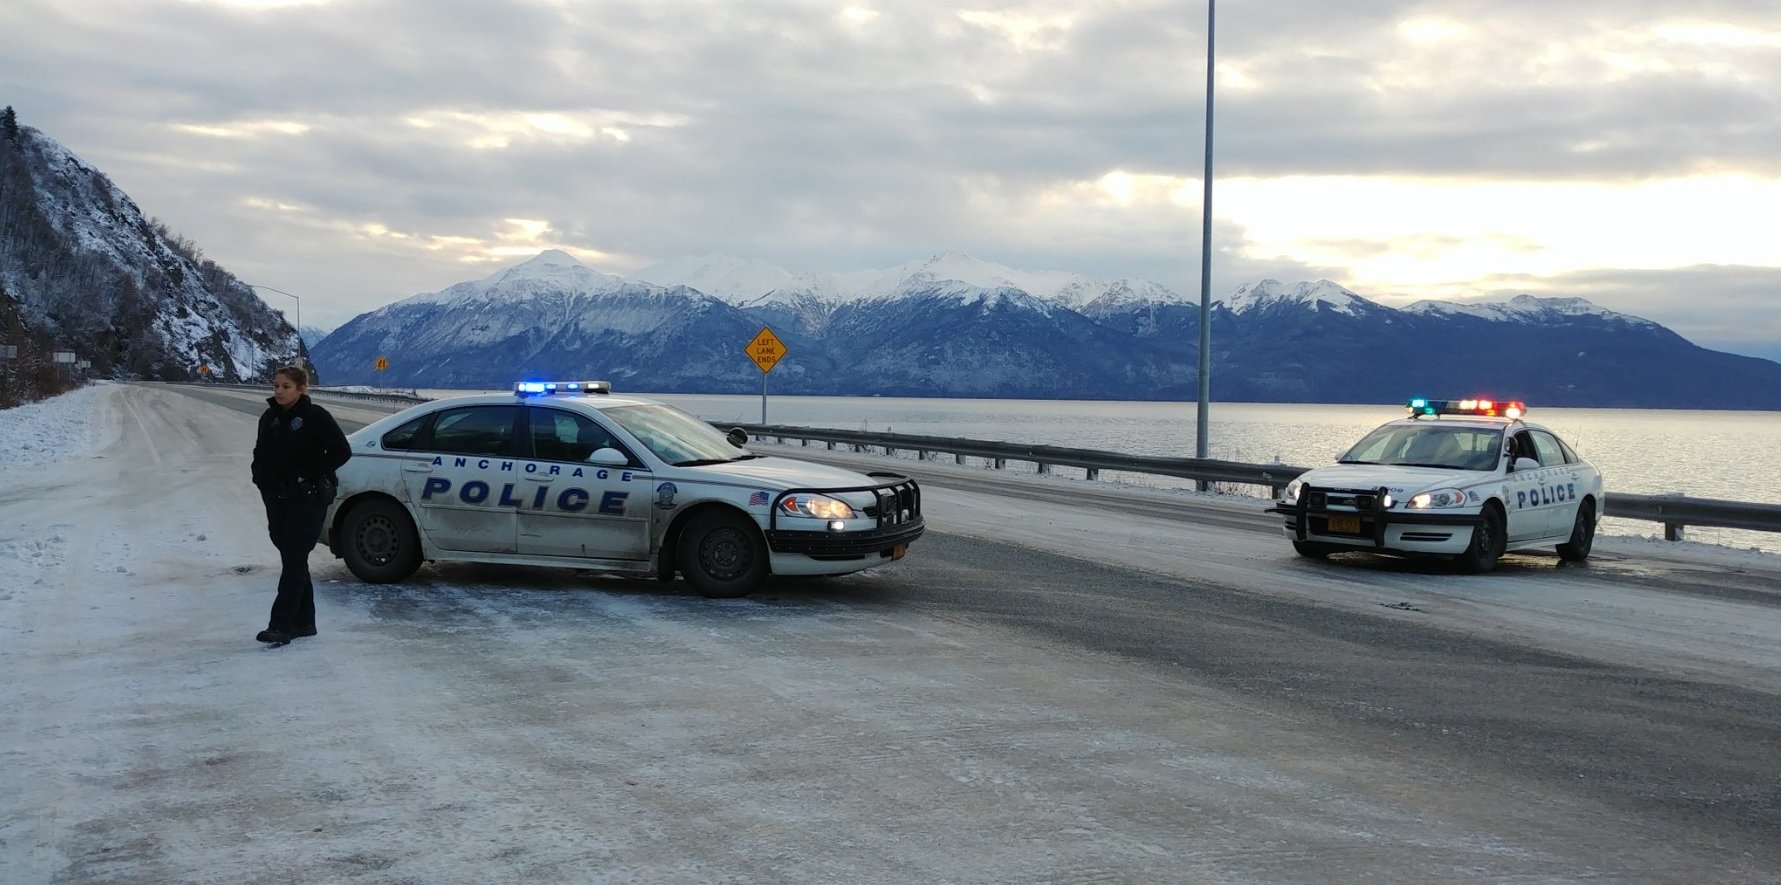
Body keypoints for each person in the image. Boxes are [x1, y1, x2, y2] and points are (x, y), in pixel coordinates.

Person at [250, 365, 351, 647]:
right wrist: (259, 477)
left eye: (286, 387)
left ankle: (281, 625)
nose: (279, 391)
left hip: (308, 498)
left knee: (294, 558)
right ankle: (305, 622)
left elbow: (342, 451)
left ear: (301, 389)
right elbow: (261, 452)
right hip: (277, 498)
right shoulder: (269, 418)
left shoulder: (315, 417)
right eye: (276, 386)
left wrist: (309, 473)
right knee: (292, 558)